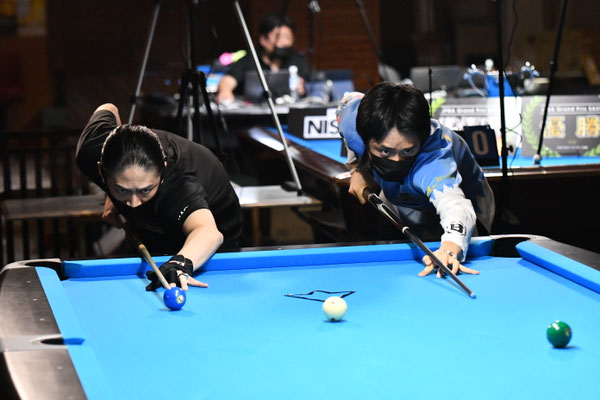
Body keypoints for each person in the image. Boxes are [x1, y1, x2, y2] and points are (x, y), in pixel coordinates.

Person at [76, 103, 243, 290]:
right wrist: (111, 193)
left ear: (162, 172)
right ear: (101, 171)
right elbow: (110, 107)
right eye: (122, 189)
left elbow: (208, 233)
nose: (133, 203)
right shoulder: (91, 150)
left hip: (209, 235)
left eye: (145, 190)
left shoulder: (179, 186)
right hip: (153, 225)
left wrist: (179, 264)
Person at [336, 82, 495, 278]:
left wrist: (450, 249)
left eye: (407, 151)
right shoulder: (352, 124)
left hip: (470, 204)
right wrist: (358, 168)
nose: (396, 160)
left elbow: (456, 206)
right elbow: (349, 100)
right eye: (385, 151)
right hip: (401, 201)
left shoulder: (433, 161)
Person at [216, 12, 310, 103]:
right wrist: (225, 91)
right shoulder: (250, 60)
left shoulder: (298, 60)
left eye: (288, 37)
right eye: (279, 37)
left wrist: (303, 86)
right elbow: (228, 80)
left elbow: (311, 84)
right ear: (263, 39)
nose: (284, 43)